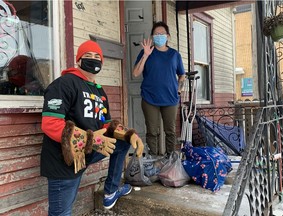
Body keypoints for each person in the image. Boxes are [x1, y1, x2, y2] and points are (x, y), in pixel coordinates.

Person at [40, 40, 144, 215]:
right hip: (64, 158)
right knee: (62, 212)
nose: (93, 59)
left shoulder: (99, 91)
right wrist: (91, 139)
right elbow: (51, 124)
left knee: (123, 144)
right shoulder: (64, 83)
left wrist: (129, 134)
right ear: (79, 60)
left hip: (87, 151)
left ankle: (110, 192)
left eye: (97, 57)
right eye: (88, 56)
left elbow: (105, 124)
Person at [133, 21, 185, 157]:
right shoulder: (146, 53)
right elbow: (136, 73)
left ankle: (171, 160)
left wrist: (178, 90)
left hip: (170, 98)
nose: (159, 36)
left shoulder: (175, 55)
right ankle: (154, 161)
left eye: (162, 34)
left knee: (171, 131)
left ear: (168, 36)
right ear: (152, 36)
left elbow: (182, 75)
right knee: (152, 131)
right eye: (156, 34)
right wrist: (145, 55)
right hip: (150, 98)